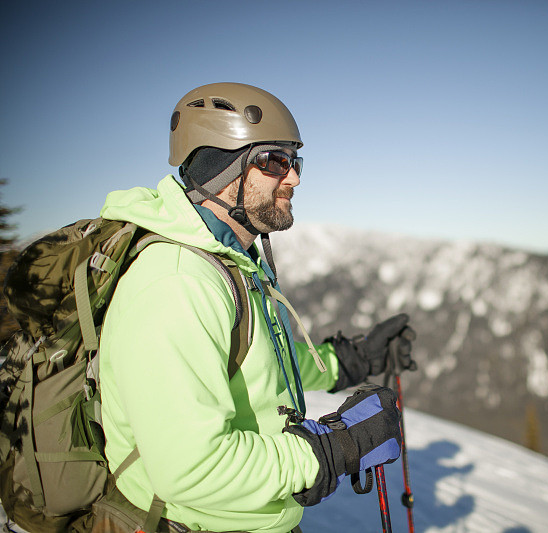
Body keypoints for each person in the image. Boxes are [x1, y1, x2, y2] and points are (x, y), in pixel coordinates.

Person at [95, 83, 416, 533]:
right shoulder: (177, 282)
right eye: (275, 161)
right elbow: (193, 468)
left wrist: (353, 360)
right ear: (220, 168)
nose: (295, 178)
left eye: (295, 161)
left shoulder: (231, 263)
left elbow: (262, 369)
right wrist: (331, 448)